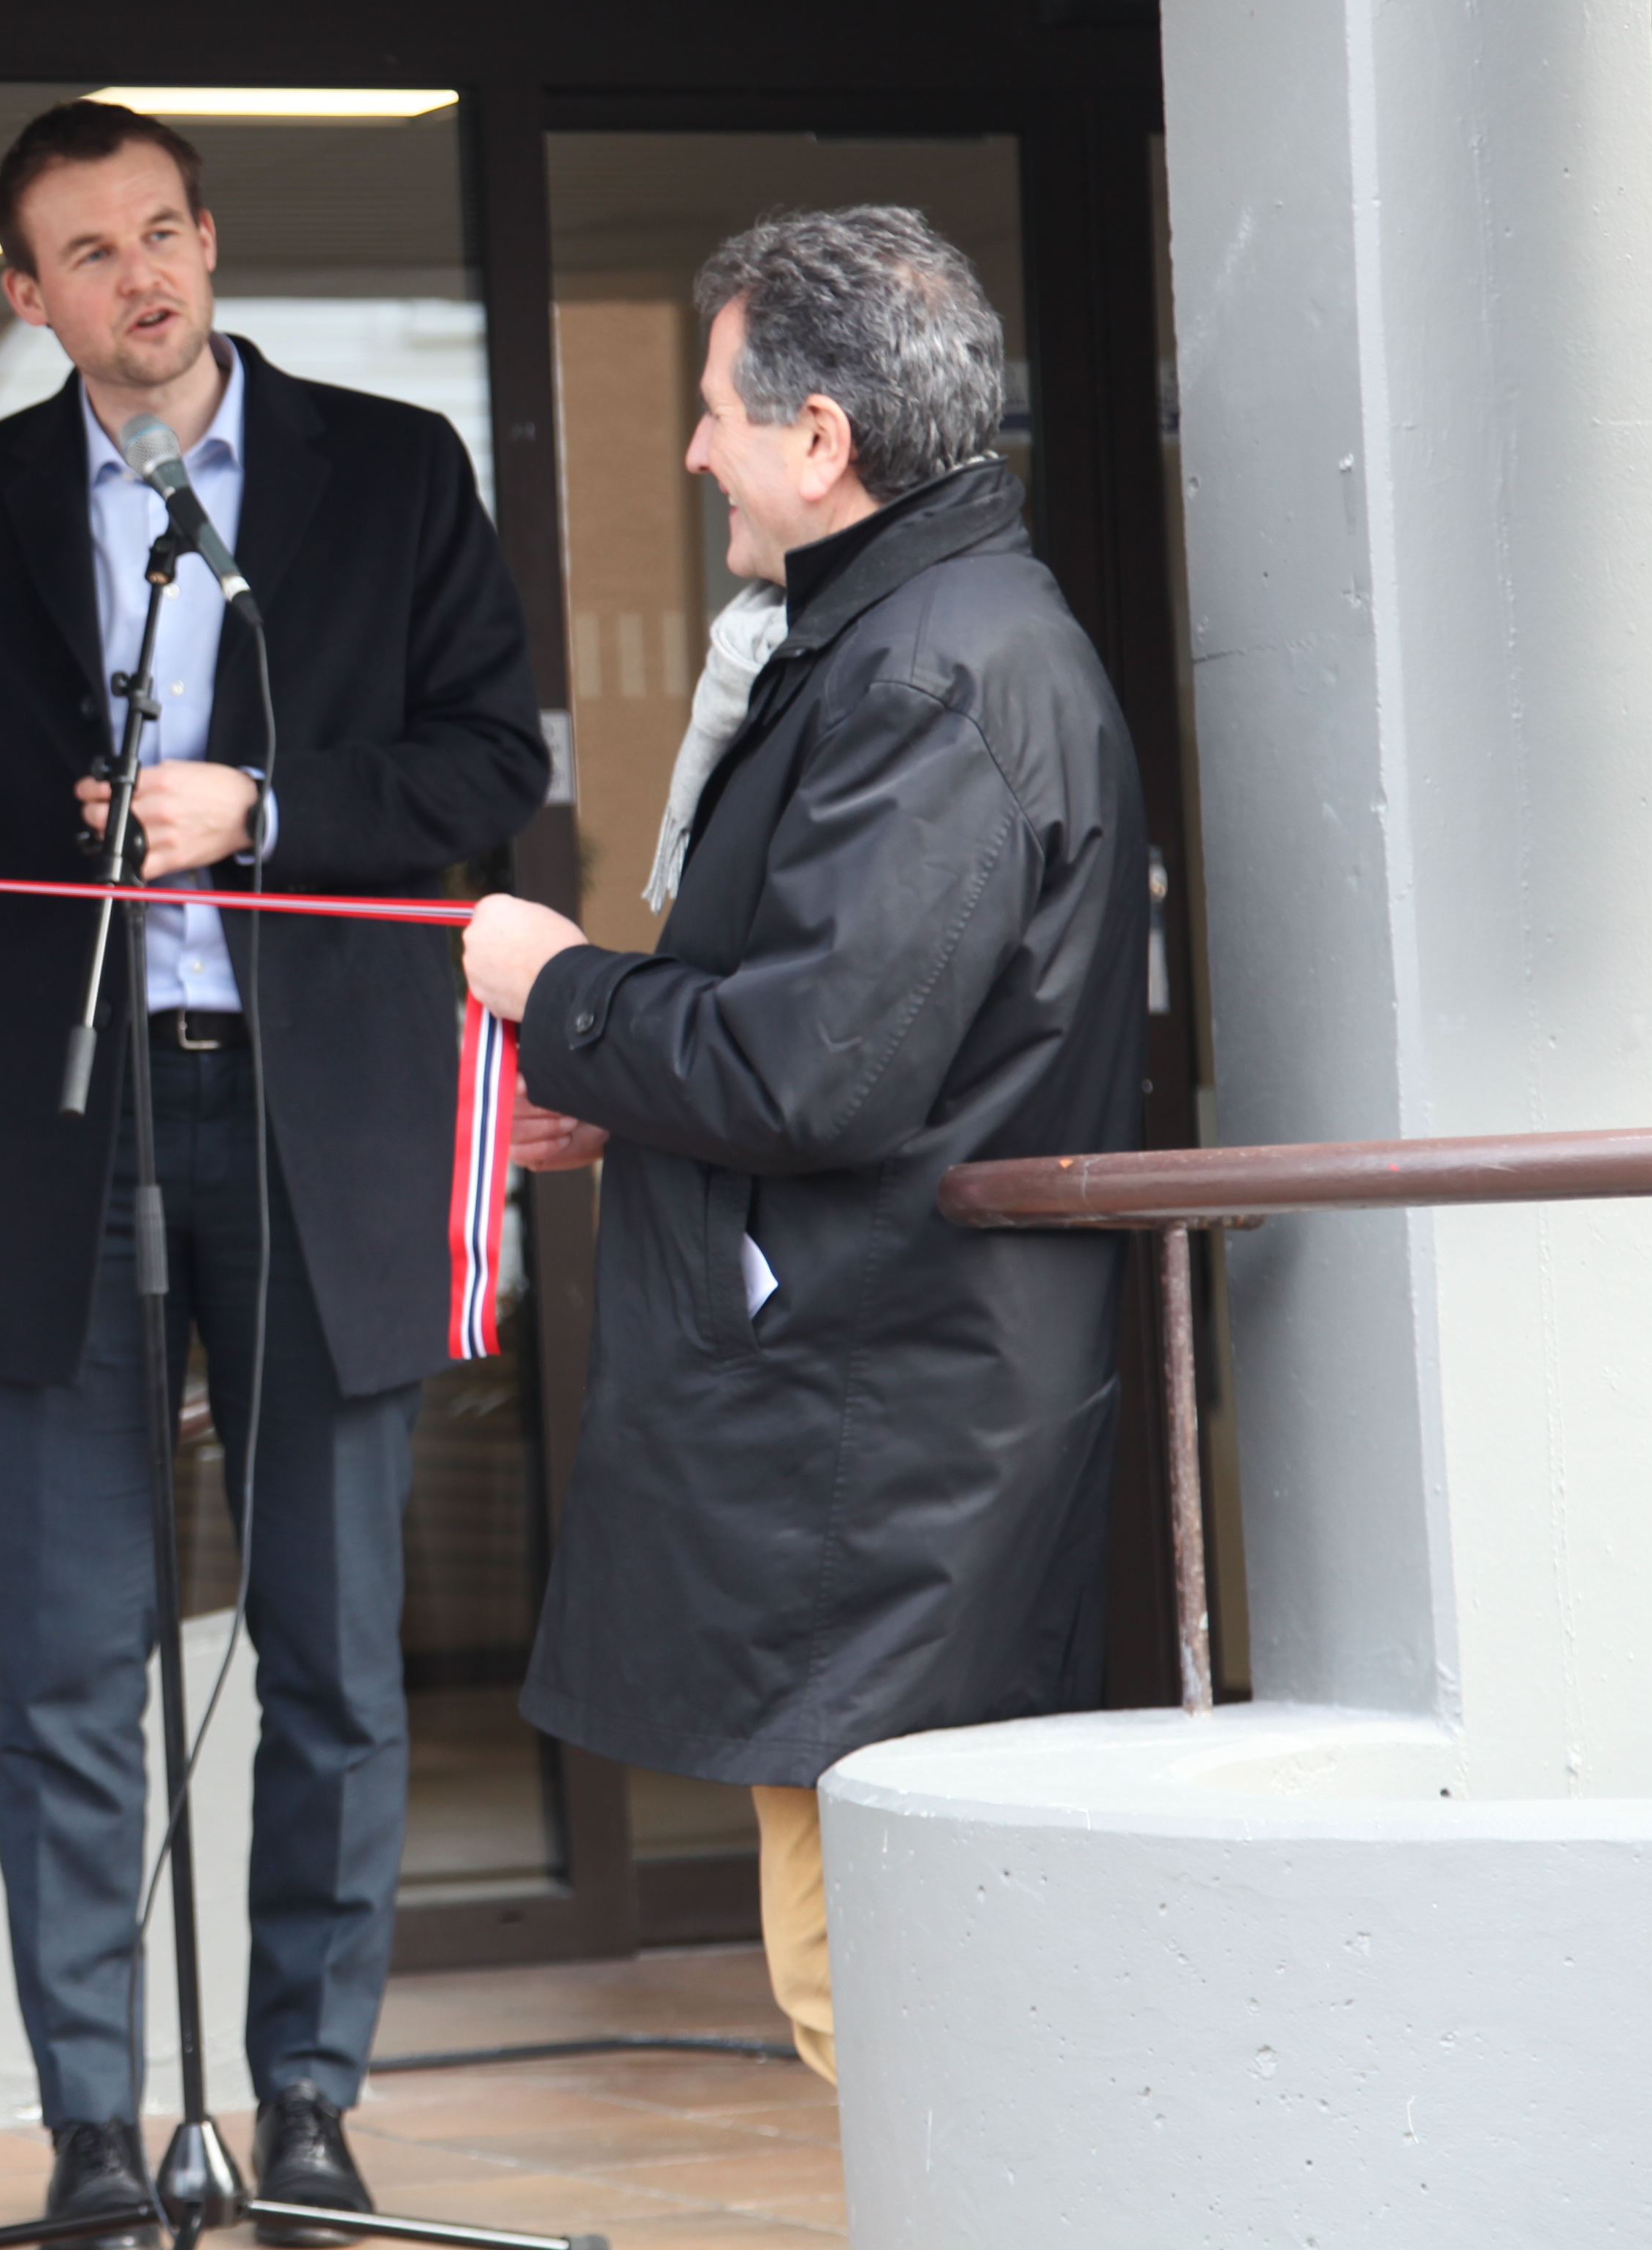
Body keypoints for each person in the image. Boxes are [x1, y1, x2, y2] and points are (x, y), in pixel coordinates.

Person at [0, 103, 547, 2241]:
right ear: (29, 297)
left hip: (317, 1113)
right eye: (89, 254)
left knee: (336, 1655)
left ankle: (315, 2104)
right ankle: (92, 2127)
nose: (142, 281)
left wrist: (255, 808)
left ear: (205, 239)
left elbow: (487, 762)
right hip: (74, 1106)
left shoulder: (391, 470)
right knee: (75, 1656)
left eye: (165, 234)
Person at [459, 204, 1146, 2085]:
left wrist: (558, 988)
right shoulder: (930, 636)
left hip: (884, 1426)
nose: (696, 450)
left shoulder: (924, 672)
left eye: (714, 413)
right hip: (889, 1410)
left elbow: (808, 1072)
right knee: (877, 1989)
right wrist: (630, 1088)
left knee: (879, 2005)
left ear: (821, 439)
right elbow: (846, 1041)